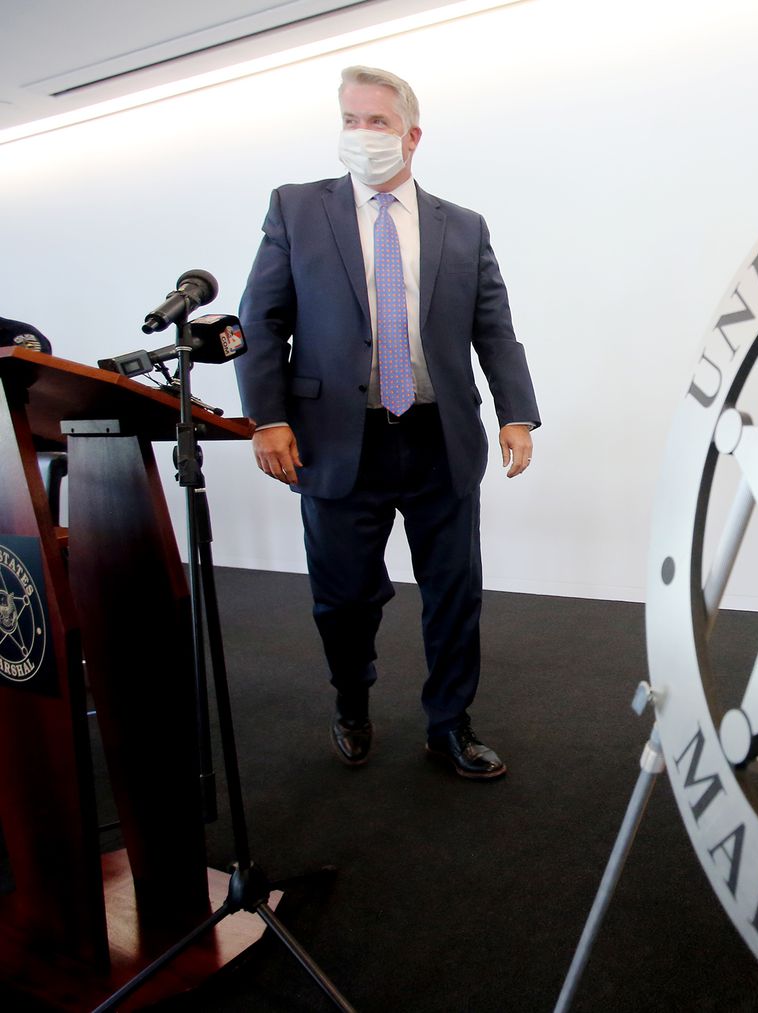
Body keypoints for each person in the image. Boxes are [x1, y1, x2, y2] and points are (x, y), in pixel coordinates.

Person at [235, 66, 540, 781]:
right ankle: (351, 698)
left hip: (439, 437)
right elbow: (262, 319)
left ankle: (449, 724)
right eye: (350, 120)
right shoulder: (296, 209)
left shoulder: (461, 226)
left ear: (412, 134)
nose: (361, 135)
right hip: (339, 439)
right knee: (343, 596)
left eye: (376, 121)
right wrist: (267, 418)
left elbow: (493, 328)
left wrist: (516, 412)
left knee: (455, 592)